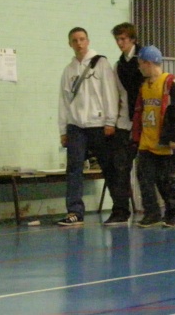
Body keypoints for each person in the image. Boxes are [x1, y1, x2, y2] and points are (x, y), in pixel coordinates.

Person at [57, 27, 120, 226]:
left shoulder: (101, 64)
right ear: (70, 44)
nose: (79, 43)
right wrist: (63, 130)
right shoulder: (68, 70)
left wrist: (110, 121)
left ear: (88, 41)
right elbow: (63, 101)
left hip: (98, 124)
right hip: (75, 126)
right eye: (75, 40)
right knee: (74, 168)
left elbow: (110, 93)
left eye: (82, 39)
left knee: (109, 167)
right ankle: (75, 212)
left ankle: (120, 209)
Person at [131, 45, 175, 228]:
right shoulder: (144, 87)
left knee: (169, 180)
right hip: (147, 142)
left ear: (148, 63)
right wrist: (136, 136)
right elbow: (140, 112)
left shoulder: (171, 83)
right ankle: (152, 213)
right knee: (144, 178)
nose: (139, 67)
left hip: (165, 142)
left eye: (140, 63)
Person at [102, 22, 144, 225]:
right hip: (125, 123)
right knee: (119, 167)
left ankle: (156, 210)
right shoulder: (118, 65)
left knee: (148, 170)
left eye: (123, 39)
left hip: (146, 124)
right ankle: (120, 210)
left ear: (133, 39)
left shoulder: (145, 58)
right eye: (117, 39)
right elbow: (119, 95)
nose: (120, 43)